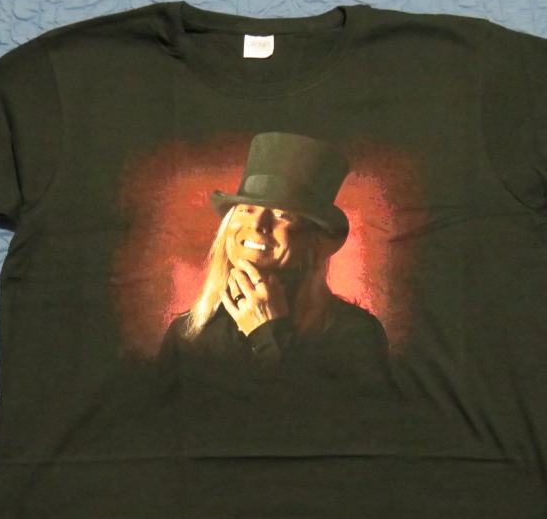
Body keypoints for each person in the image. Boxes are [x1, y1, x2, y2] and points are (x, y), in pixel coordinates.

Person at [152, 134, 402, 451]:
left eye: (283, 214)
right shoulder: (188, 334)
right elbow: (156, 436)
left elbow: (355, 438)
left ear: (313, 240)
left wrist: (269, 333)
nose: (259, 224)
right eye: (246, 209)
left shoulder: (356, 334)